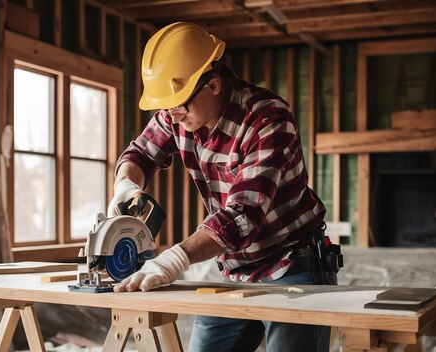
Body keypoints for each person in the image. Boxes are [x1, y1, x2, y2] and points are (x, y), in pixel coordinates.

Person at [108, 22, 336, 352]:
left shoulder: (268, 120)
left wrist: (175, 259)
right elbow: (141, 153)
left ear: (213, 85)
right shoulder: (178, 114)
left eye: (179, 105)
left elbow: (242, 216)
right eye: (168, 107)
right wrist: (126, 184)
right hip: (236, 269)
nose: (172, 115)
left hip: (292, 264)